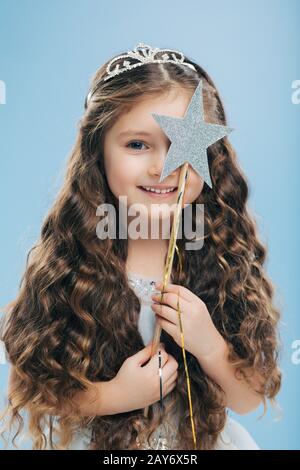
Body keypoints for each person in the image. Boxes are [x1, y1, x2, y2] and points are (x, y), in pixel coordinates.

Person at [0, 43, 281, 450]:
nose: (162, 168)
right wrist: (117, 396)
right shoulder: (71, 264)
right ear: (97, 153)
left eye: (180, 146)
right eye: (137, 144)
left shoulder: (223, 262)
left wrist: (208, 345)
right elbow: (36, 388)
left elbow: (250, 398)